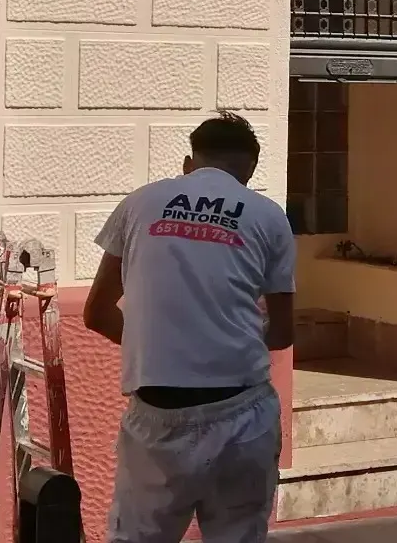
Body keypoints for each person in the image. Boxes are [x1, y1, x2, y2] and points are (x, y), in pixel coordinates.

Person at [84, 112, 296, 543]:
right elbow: (283, 332)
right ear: (250, 171)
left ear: (188, 163)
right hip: (243, 415)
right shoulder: (269, 217)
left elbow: (97, 312)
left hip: (158, 416)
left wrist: (162, 344)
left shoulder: (140, 203)